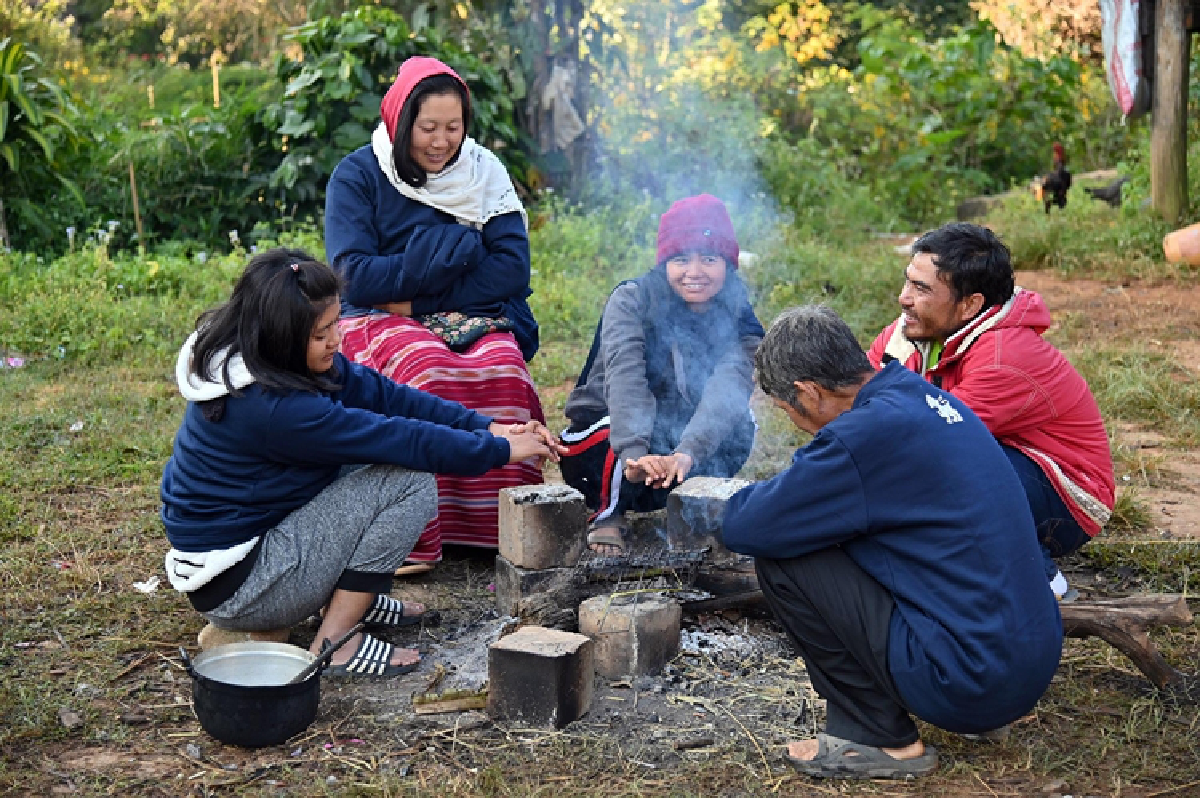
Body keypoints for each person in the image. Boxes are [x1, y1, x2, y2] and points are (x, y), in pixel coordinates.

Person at [160, 249, 558, 677]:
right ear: (281, 333)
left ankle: (349, 596)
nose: (336, 340)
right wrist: (498, 451)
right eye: (320, 334)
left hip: (248, 547)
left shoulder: (261, 353)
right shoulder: (272, 408)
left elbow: (381, 394)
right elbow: (396, 439)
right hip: (243, 587)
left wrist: (486, 426)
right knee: (409, 483)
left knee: (366, 468)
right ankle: (336, 647)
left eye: (335, 324)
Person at [723, 305, 1063, 780]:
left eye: (787, 410)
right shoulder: (914, 393)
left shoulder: (861, 437)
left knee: (784, 560)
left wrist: (726, 504)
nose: (793, 421)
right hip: (1025, 661)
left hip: (971, 680)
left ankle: (877, 735)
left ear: (809, 392)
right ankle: (970, 712)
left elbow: (747, 526)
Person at [324, 56, 544, 568]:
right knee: (425, 369)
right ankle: (421, 533)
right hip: (372, 316)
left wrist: (416, 301)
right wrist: (446, 257)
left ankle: (500, 529)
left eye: (453, 127)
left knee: (504, 368)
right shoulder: (358, 175)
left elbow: (511, 271)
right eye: (428, 128)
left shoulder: (484, 172)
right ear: (401, 122)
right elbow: (354, 276)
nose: (442, 142)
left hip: (458, 308)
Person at [867, 222, 1115, 600]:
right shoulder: (913, 329)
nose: (903, 298)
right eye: (908, 282)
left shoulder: (1004, 357)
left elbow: (933, 443)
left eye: (921, 289)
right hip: (997, 457)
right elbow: (861, 399)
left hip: (1067, 494)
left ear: (970, 304)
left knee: (929, 473)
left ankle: (1040, 580)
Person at [560, 194, 763, 555]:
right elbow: (625, 379)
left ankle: (691, 506)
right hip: (616, 436)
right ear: (664, 262)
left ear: (728, 265)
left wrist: (687, 452)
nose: (695, 272)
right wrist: (634, 453)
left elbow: (729, 387)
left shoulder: (739, 313)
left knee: (739, 420)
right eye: (681, 258)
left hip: (681, 447)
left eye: (710, 259)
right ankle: (609, 512)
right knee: (607, 430)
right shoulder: (633, 300)